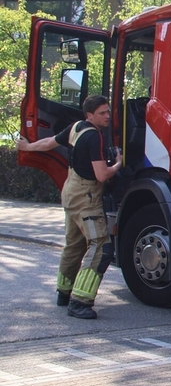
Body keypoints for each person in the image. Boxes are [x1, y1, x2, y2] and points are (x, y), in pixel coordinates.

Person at [17, 94, 122, 319]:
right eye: (102, 113)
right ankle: (80, 302)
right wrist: (118, 164)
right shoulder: (94, 136)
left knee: (74, 245)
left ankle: (63, 292)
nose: (107, 116)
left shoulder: (76, 127)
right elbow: (102, 175)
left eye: (107, 111)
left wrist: (27, 146)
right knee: (101, 246)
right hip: (86, 200)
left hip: (70, 194)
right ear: (90, 115)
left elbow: (48, 143)